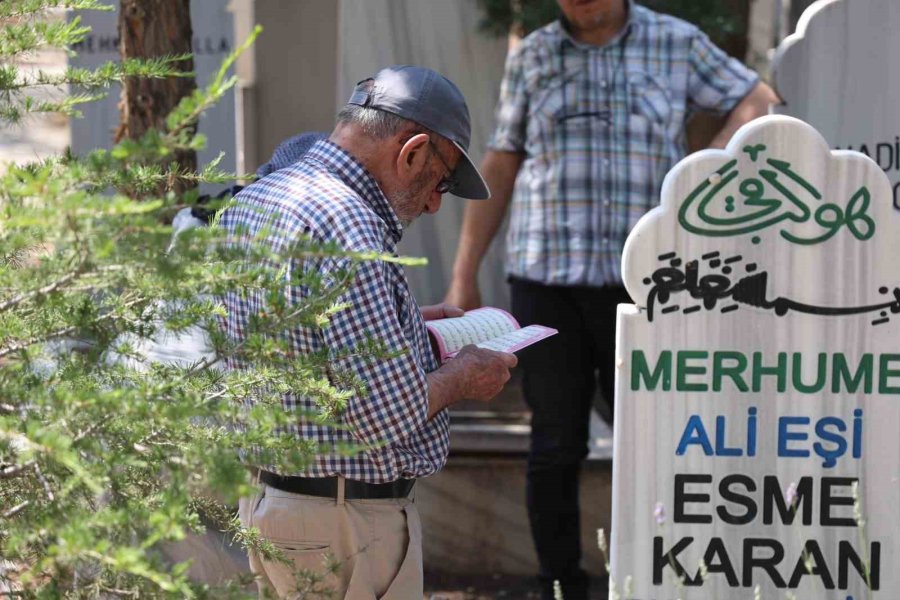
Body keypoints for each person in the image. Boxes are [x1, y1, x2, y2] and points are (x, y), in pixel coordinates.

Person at [444, 1, 779, 598]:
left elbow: (759, 98)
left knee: (656, 437)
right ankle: (559, 584)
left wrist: (706, 172)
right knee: (554, 442)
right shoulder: (534, 56)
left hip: (650, 280)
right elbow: (503, 156)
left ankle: (658, 579)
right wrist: (463, 274)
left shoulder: (676, 41)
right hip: (547, 279)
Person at [219, 65, 518, 599]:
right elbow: (386, 414)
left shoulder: (257, 197)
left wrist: (404, 319)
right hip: (343, 524)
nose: (434, 203)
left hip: (269, 504)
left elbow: (293, 336)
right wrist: (464, 375)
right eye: (440, 181)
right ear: (413, 152)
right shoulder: (350, 222)